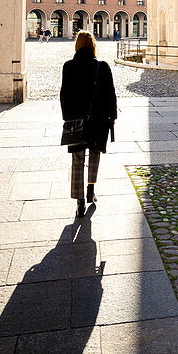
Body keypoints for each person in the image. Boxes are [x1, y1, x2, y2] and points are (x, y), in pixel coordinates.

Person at [60, 30, 117, 218]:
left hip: (76, 121)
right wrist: (112, 116)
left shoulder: (68, 66)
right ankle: (91, 189)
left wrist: (67, 118)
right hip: (98, 120)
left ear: (77, 45)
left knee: (77, 160)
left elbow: (64, 95)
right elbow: (111, 94)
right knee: (94, 153)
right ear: (93, 46)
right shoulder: (103, 67)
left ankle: (79, 201)